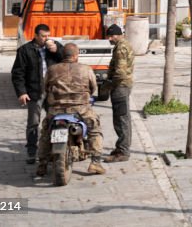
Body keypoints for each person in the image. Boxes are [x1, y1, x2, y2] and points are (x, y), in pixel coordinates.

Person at [36, 42, 106, 176]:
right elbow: (93, 88)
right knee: (95, 131)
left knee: (45, 133)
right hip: (81, 109)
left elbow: (44, 87)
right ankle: (95, 163)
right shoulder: (86, 69)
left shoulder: (52, 69)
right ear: (76, 55)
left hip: (56, 110)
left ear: (63, 55)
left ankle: (42, 164)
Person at [10, 23, 63, 164]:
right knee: (33, 123)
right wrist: (21, 92)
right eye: (43, 36)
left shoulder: (54, 46)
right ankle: (32, 151)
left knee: (56, 121)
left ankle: (55, 150)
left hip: (53, 91)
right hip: (35, 91)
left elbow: (67, 59)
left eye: (48, 36)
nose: (46, 39)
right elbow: (17, 73)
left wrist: (56, 50)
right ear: (36, 35)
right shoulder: (25, 50)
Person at [103, 23, 135, 162]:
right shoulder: (124, 44)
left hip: (120, 87)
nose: (109, 39)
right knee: (122, 118)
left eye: (111, 36)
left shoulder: (121, 48)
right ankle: (122, 147)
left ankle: (123, 152)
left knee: (121, 119)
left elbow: (120, 72)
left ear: (116, 35)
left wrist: (109, 84)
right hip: (123, 86)